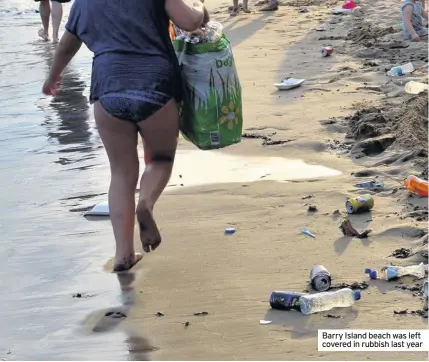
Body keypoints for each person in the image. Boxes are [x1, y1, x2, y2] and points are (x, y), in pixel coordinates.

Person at [42, 0, 206, 272]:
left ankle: (123, 255)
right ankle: (146, 204)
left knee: (121, 173)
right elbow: (189, 22)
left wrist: (53, 76)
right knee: (161, 159)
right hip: (155, 83)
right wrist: (199, 6)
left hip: (108, 88)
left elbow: (68, 43)